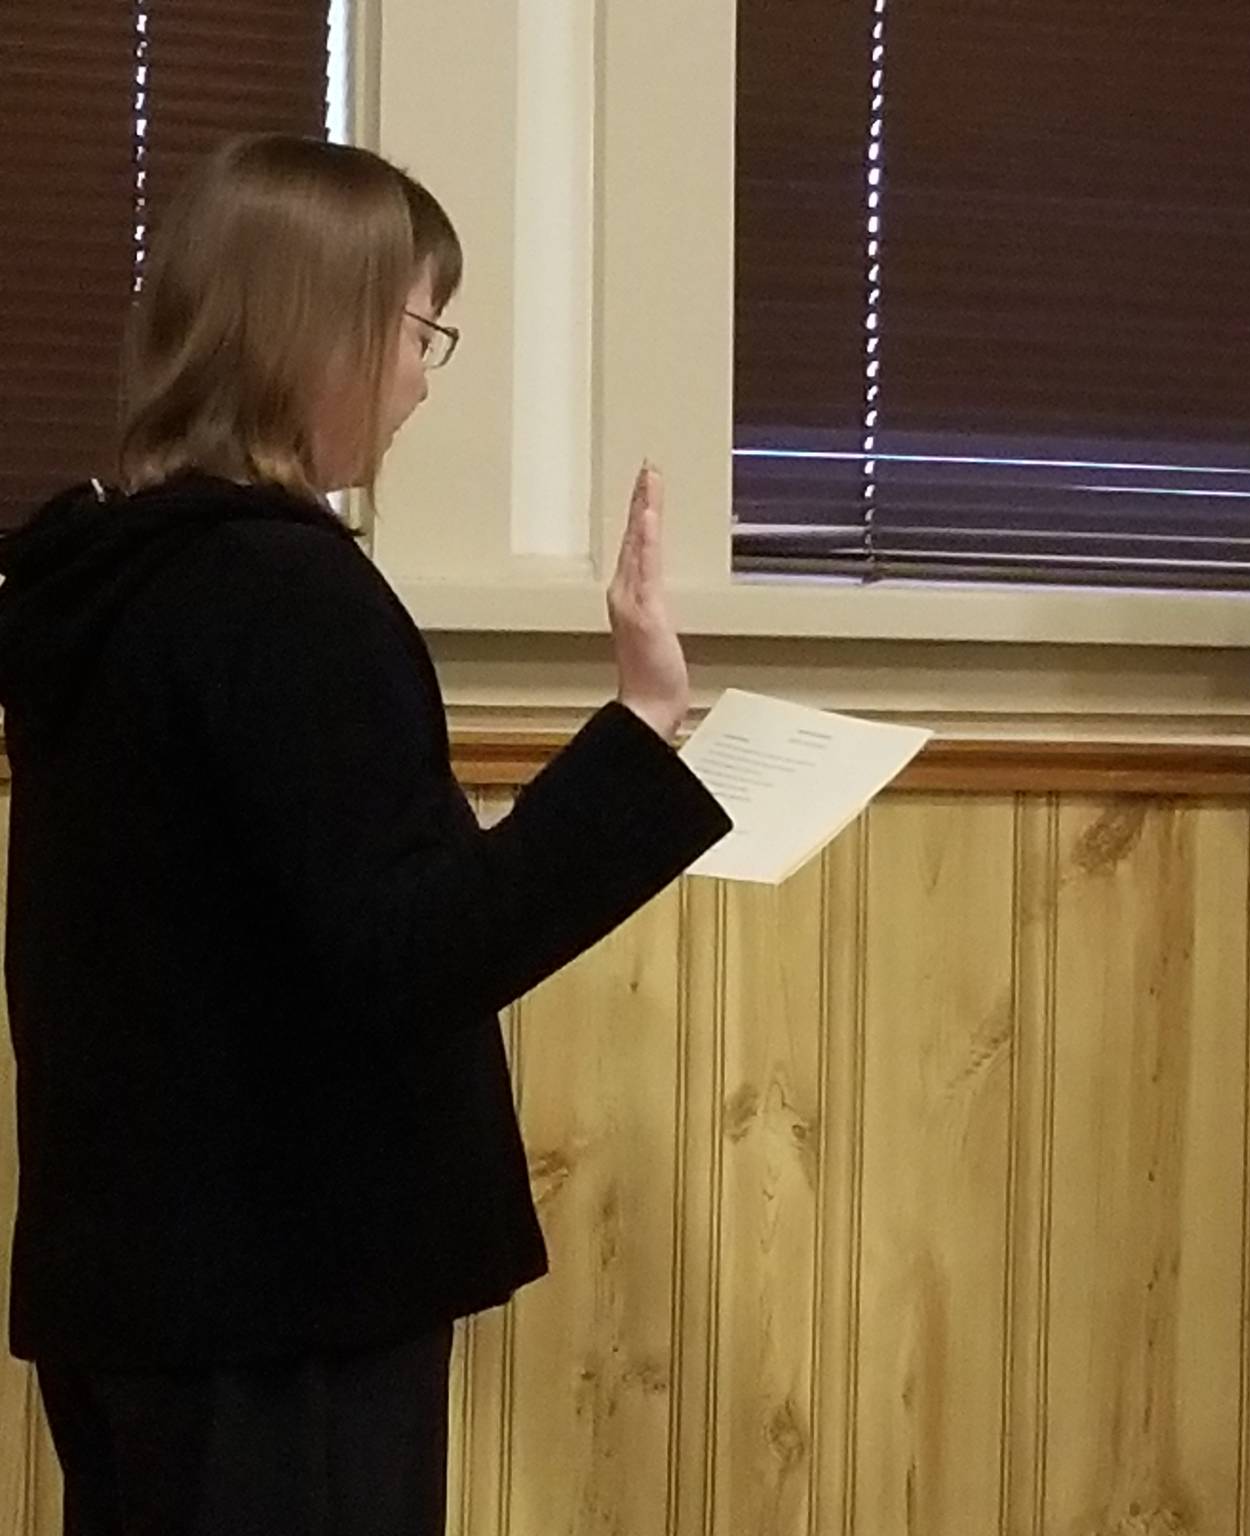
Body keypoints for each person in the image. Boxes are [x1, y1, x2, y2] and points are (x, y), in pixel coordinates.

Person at [0, 135, 733, 1534]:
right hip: (287, 1305)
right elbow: (410, 955)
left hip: (138, 1295)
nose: (418, 381)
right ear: (315, 332)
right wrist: (641, 737)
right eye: (416, 332)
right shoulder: (288, 596)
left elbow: (275, 917)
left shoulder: (101, 581)